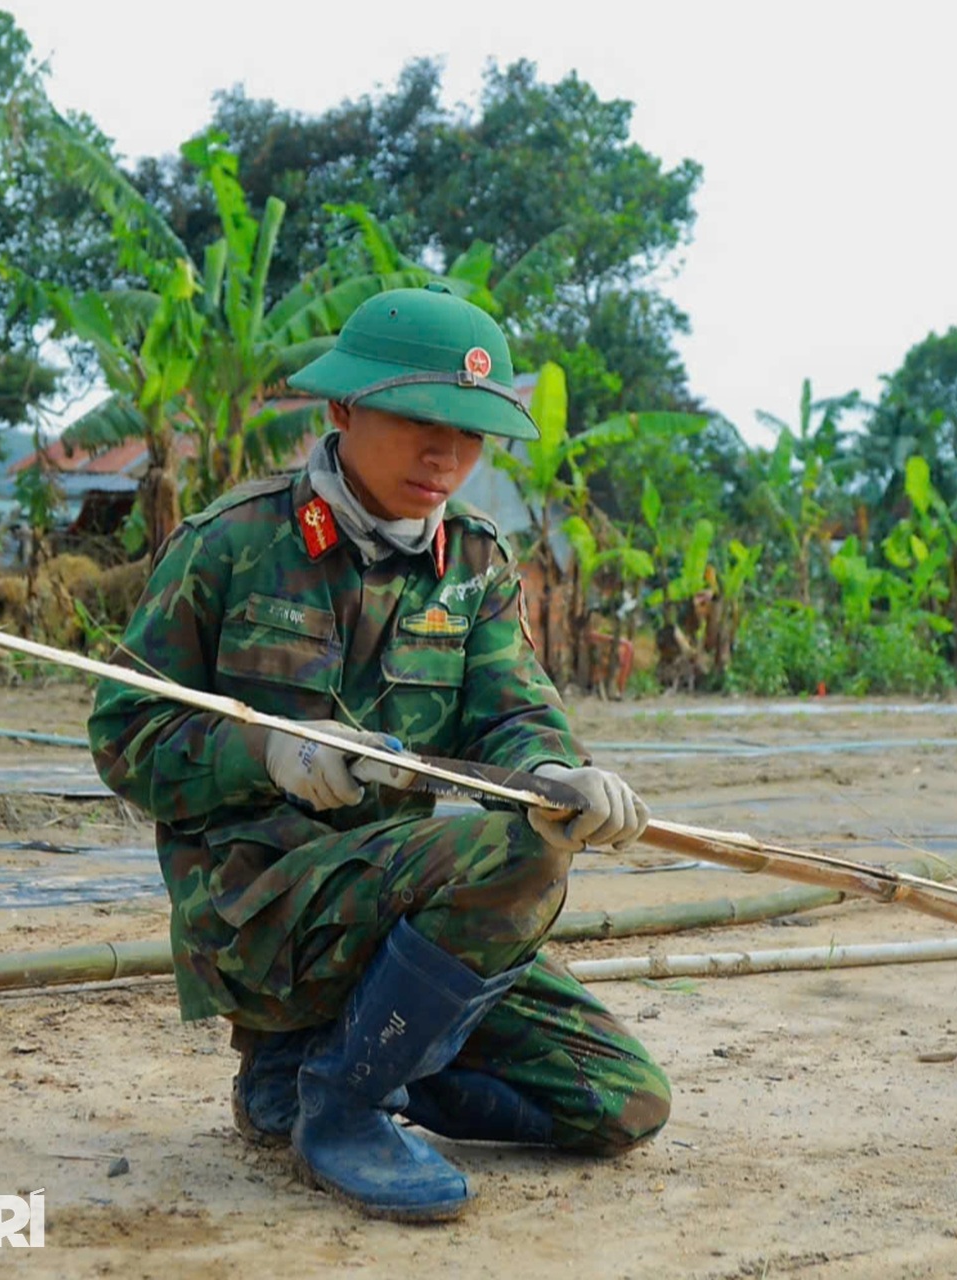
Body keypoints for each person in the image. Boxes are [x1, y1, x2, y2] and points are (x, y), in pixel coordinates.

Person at [87, 284, 670, 1223]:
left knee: (622, 1101)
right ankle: (348, 1108)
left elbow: (512, 718)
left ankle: (319, 1068)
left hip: (394, 926)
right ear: (343, 409)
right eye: (418, 421)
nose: (447, 456)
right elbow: (124, 737)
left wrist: (558, 775)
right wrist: (267, 752)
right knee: (526, 858)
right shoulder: (231, 545)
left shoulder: (473, 564)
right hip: (260, 916)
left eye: (472, 432)